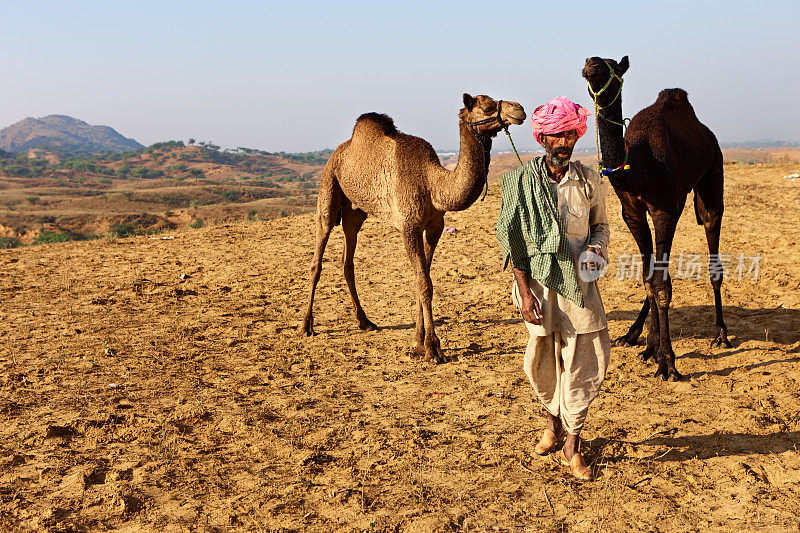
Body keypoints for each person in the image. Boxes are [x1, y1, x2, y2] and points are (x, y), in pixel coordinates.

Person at [496, 96, 611, 481]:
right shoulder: (519, 182)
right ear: (542, 138)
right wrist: (524, 293)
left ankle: (572, 445)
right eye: (556, 136)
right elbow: (512, 241)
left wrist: (596, 247)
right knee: (543, 362)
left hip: (581, 286)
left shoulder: (590, 180)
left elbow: (601, 226)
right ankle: (553, 426)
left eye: (569, 135)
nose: (564, 143)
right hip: (538, 288)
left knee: (584, 361)